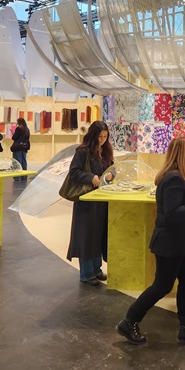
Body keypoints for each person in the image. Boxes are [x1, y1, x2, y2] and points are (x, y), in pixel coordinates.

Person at [117, 138, 185, 345]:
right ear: (183, 155)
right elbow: (171, 214)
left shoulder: (176, 176)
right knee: (162, 285)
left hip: (180, 242)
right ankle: (130, 320)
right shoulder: (174, 179)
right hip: (171, 242)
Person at [66, 121, 113, 286]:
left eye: (105, 136)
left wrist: (110, 175)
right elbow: (74, 172)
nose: (102, 139)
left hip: (101, 199)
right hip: (86, 200)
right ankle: (87, 273)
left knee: (98, 234)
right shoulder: (83, 151)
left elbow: (110, 168)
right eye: (100, 136)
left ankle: (96, 269)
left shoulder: (105, 151)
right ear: (93, 135)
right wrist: (90, 177)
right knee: (87, 236)